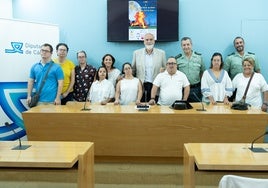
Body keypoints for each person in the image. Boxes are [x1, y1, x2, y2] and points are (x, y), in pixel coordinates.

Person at [224, 36, 261, 102]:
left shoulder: (253, 57)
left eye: (240, 42)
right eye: (237, 43)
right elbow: (224, 75)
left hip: (251, 87)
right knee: (234, 109)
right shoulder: (229, 58)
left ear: (244, 43)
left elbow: (258, 71)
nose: (239, 44)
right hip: (235, 88)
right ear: (234, 45)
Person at [132, 33, 166, 102]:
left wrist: (163, 71)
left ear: (154, 41)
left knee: (154, 107)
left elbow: (165, 68)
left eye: (151, 39)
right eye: (147, 40)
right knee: (141, 107)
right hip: (142, 85)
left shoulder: (161, 53)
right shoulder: (136, 53)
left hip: (155, 85)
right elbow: (133, 70)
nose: (149, 41)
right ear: (144, 41)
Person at [175, 37, 206, 102]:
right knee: (182, 109)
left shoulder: (199, 57)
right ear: (181, 46)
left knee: (196, 109)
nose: (186, 47)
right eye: (184, 45)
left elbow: (202, 72)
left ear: (191, 45)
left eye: (188, 44)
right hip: (182, 89)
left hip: (196, 89)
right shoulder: (178, 59)